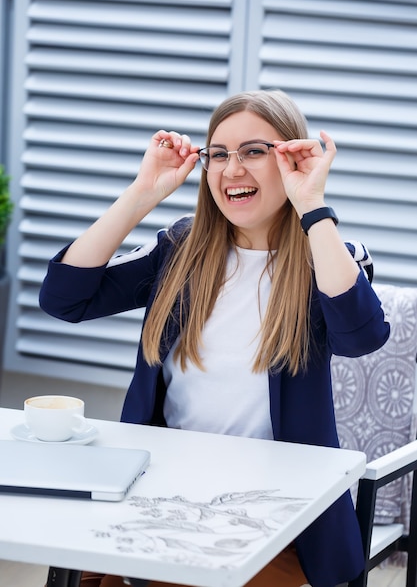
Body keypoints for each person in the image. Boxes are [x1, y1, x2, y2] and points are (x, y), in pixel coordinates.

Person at [39, 89, 390, 587]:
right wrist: (143, 192)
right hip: (162, 489)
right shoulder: (180, 248)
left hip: (275, 508)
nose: (232, 169)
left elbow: (360, 337)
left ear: (291, 157)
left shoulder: (330, 252)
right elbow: (63, 299)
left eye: (253, 151)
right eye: (218, 154)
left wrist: (312, 205)